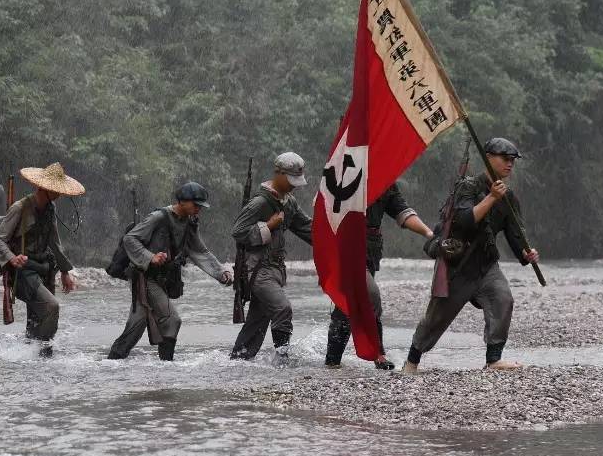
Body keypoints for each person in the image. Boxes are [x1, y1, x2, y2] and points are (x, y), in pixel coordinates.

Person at [403, 137, 540, 373]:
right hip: (458, 265)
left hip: (486, 265)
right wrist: (491, 197)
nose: (510, 164)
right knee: (435, 319)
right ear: (489, 158)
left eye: (513, 160)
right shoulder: (467, 187)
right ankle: (411, 362)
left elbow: (516, 236)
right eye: (505, 158)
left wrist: (527, 254)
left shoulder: (508, 197)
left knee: (503, 299)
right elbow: (465, 220)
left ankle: (494, 359)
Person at [108, 182, 234, 361]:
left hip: (161, 279)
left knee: (136, 326)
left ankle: (111, 363)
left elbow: (199, 251)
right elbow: (130, 239)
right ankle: (167, 366)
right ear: (182, 201)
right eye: (195, 204)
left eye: (200, 206)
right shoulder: (158, 217)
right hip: (144, 278)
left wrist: (221, 272)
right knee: (172, 320)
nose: (198, 209)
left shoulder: (189, 222)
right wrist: (150, 257)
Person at [324, 181, 434, 369]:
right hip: (346, 246)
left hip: (370, 249)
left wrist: (427, 232)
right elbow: (327, 206)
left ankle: (332, 362)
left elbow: (402, 212)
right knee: (370, 295)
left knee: (347, 306)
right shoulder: (347, 173)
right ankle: (378, 354)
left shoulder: (386, 182)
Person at [229, 152, 314, 364]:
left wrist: (335, 239)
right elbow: (238, 232)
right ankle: (282, 359)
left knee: (257, 321)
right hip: (258, 270)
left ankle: (238, 361)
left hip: (275, 270)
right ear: (279, 174)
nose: (294, 185)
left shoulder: (289, 202)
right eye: (291, 180)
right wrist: (268, 226)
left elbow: (307, 229)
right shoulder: (259, 203)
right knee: (282, 308)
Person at [0, 162, 83, 355]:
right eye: (56, 189)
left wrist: (65, 271)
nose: (59, 193)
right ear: (43, 188)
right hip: (23, 271)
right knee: (52, 306)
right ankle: (41, 351)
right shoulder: (20, 208)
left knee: (37, 319)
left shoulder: (50, 209)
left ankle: (34, 358)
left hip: (44, 269)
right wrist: (12, 258)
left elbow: (55, 243)